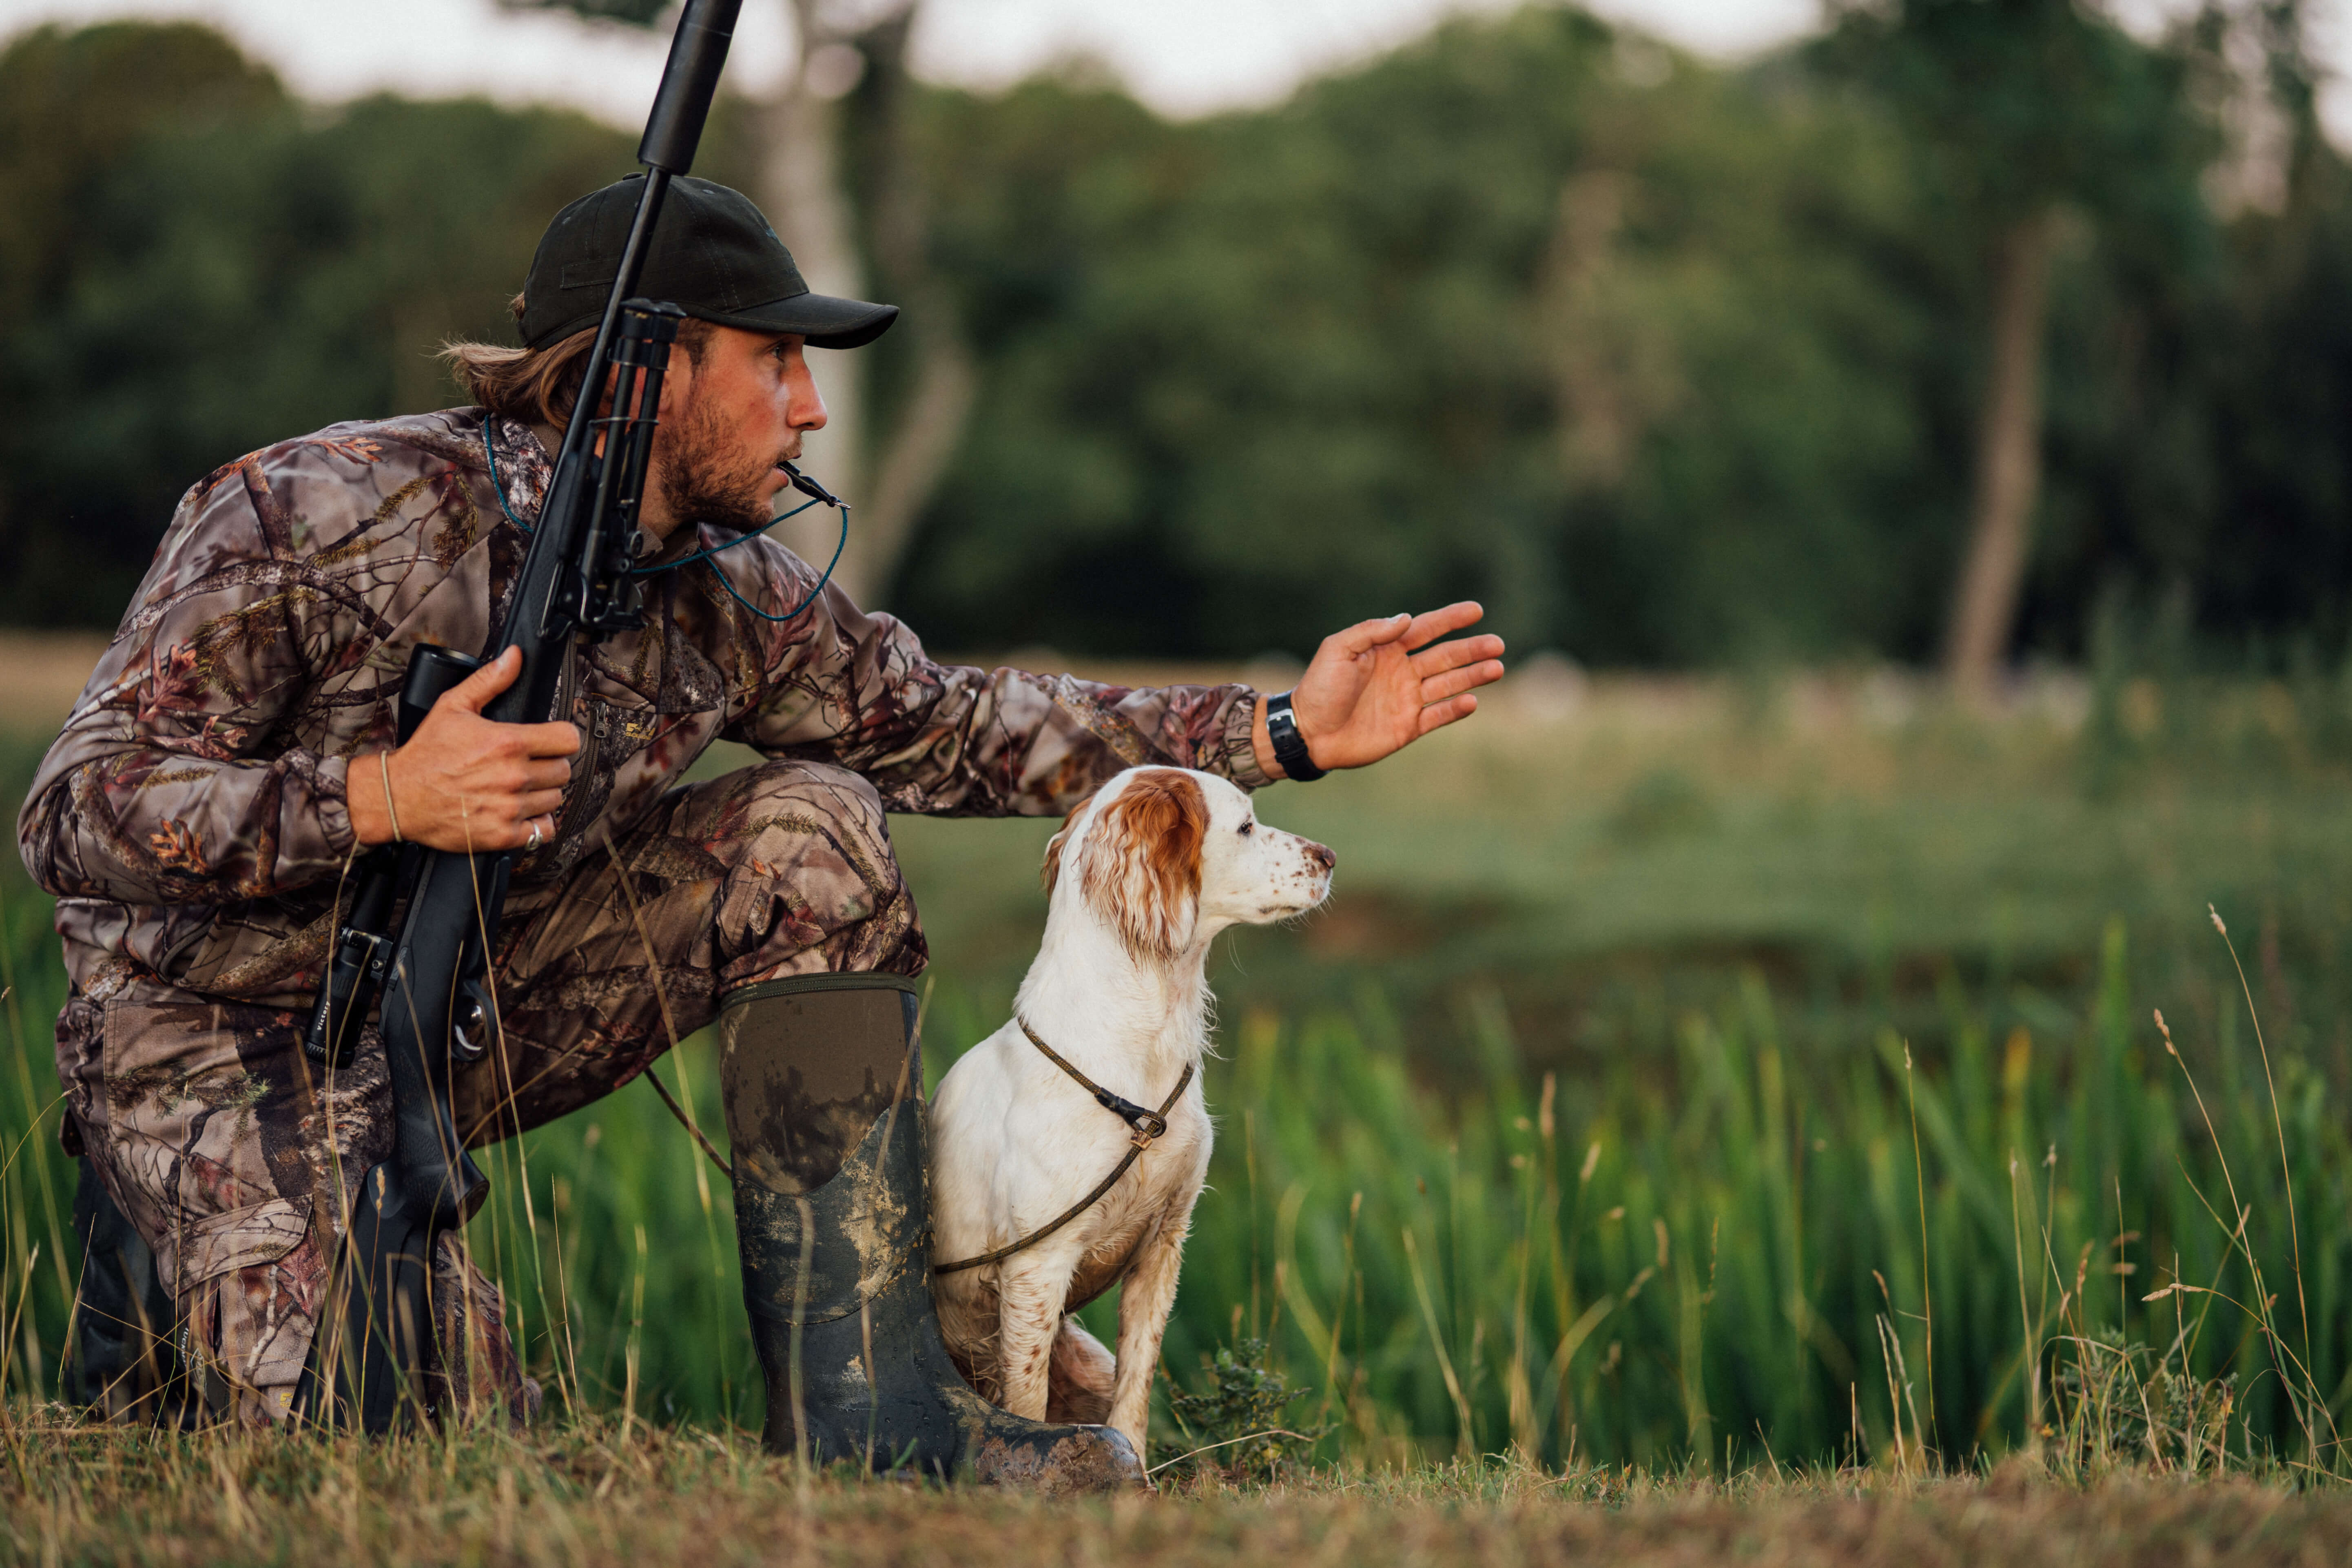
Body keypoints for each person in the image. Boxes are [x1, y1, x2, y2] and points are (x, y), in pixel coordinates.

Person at [20, 174, 1504, 1477]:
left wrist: (1282, 734)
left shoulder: (719, 585)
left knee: (815, 828)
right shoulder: (314, 508)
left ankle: (876, 1417)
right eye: (776, 361)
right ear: (642, 371)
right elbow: (71, 809)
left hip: (461, 1011)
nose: (808, 407)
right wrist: (380, 797)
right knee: (437, 1437)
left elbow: (947, 725)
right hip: (208, 1032)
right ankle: (155, 1276)